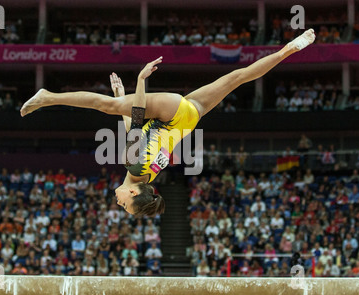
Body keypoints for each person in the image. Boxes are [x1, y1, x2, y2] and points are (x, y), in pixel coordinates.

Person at [20, 29, 316, 218]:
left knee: (237, 78)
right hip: (171, 113)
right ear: (133, 193)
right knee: (105, 105)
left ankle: (287, 50)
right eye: (124, 204)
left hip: (190, 117)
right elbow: (138, 120)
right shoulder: (134, 168)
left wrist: (124, 95)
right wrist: (137, 84)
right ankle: (48, 96)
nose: (119, 202)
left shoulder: (148, 178)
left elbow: (138, 133)